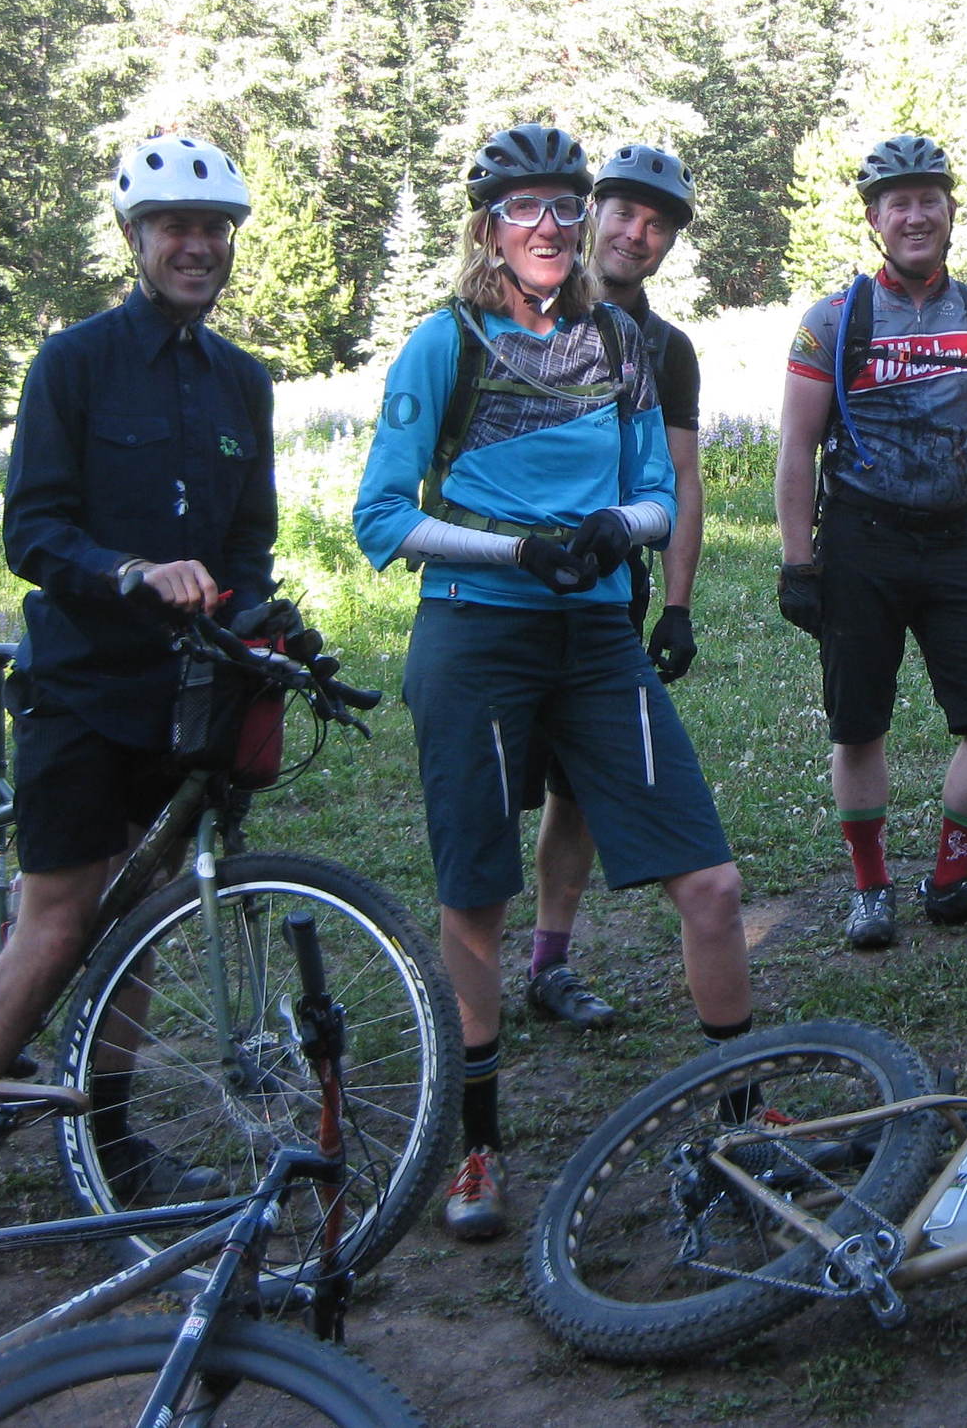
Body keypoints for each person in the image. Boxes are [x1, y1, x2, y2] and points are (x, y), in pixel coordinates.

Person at [353, 123, 749, 1241]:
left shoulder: (617, 346)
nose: (548, 226)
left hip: (594, 641)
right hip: (474, 638)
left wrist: (613, 532)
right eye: (522, 208)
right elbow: (381, 516)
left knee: (711, 886)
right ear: (487, 226)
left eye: (562, 208)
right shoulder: (446, 343)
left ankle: (742, 1116)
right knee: (476, 894)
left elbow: (657, 493)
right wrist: (512, 550)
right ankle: (477, 1144)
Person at [0, 134, 273, 1267]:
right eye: (175, 227)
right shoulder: (72, 364)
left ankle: (109, 1144)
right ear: (135, 239)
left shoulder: (241, 382)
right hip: (78, 684)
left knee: (138, 924)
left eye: (213, 231)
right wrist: (127, 573)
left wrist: (267, 618)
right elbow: (33, 530)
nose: (197, 246)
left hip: (184, 695)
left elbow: (249, 543)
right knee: (59, 917)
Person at [775, 134, 967, 952]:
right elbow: (795, 446)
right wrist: (797, 560)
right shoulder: (833, 320)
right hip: (859, 540)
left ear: (951, 212)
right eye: (899, 202)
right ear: (873, 220)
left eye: (930, 199)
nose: (916, 214)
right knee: (858, 725)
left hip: (951, 540)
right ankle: (869, 888)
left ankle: (952, 882)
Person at [523, 143, 707, 1033]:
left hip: (605, 593)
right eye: (625, 213)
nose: (638, 234)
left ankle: (547, 962)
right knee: (495, 793)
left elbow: (679, 476)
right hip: (495, 592)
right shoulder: (517, 312)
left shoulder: (668, 349)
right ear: (592, 214)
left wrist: (675, 603)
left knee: (575, 789)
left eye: (658, 223)